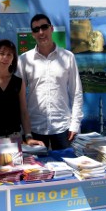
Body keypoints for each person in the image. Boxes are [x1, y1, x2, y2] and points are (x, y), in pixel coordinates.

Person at [16, 14, 84, 150]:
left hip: (63, 128)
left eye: (44, 27)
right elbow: (18, 97)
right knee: (36, 170)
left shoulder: (68, 57)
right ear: (33, 34)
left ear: (51, 29)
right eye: (36, 30)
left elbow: (76, 92)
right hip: (35, 129)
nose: (41, 32)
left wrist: (75, 124)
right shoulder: (24, 60)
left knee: (67, 169)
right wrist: (25, 131)